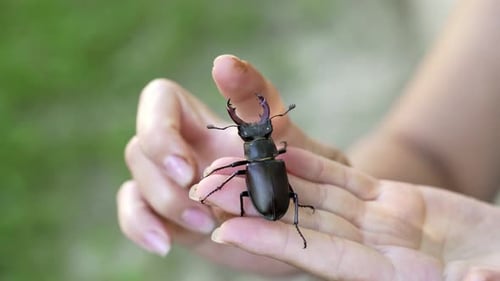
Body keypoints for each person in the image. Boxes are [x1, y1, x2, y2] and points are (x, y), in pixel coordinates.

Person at [116, 0, 500, 279]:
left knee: (258, 190)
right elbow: (431, 154)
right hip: (272, 203)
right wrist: (352, 199)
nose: (257, 133)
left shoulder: (259, 163)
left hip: (268, 197)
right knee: (265, 191)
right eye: (255, 135)